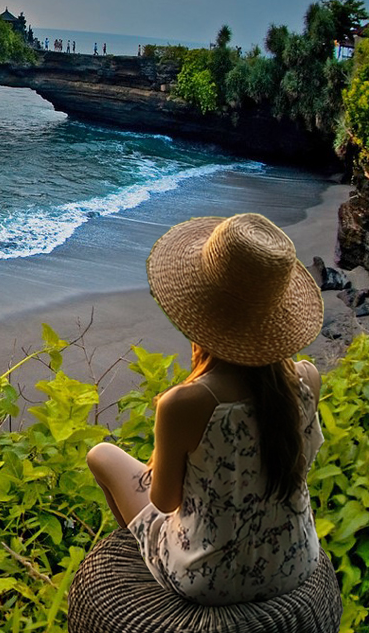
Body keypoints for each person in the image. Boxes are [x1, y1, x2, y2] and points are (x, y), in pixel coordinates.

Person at [86, 212, 324, 607]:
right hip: (295, 561)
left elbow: (164, 502)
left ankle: (150, 564)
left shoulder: (188, 403)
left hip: (207, 579)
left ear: (197, 309)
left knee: (102, 455)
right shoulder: (305, 379)